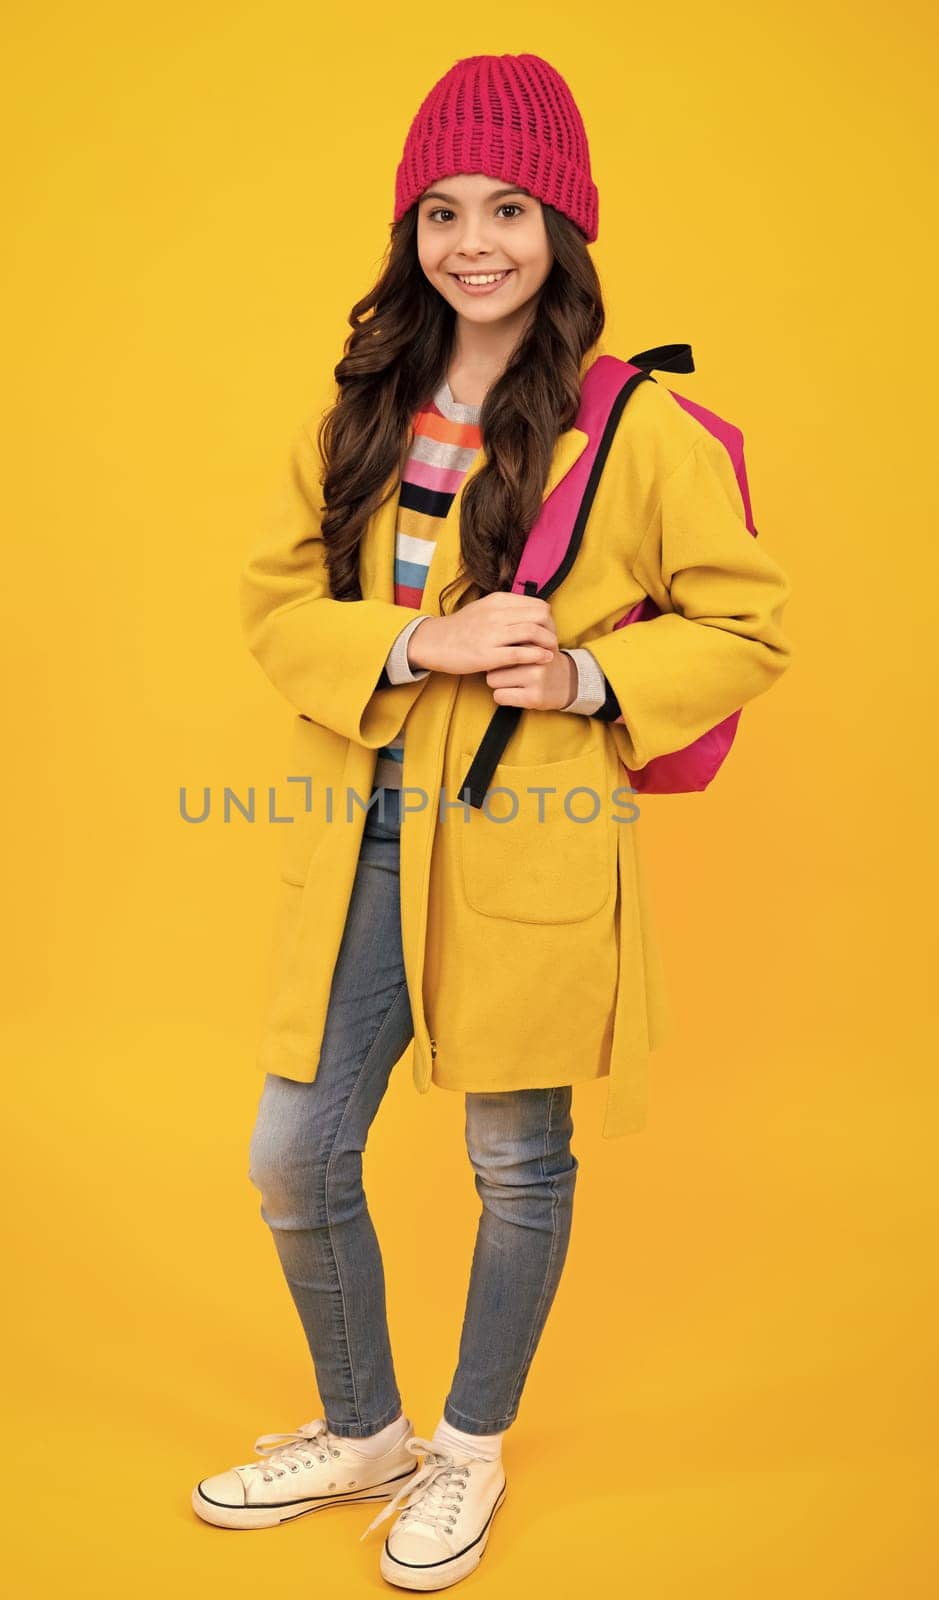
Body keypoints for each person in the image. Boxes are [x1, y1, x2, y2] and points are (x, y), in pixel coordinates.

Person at [191, 52, 792, 1592]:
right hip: (363, 827)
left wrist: (589, 669)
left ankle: (467, 1448)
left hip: (530, 836)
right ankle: (365, 1428)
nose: (474, 241)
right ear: (412, 230)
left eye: (509, 208)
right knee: (295, 1152)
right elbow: (277, 604)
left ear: (562, 225)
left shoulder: (634, 423)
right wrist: (414, 641)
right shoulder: (361, 411)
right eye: (443, 209)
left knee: (517, 1156)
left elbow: (744, 626)